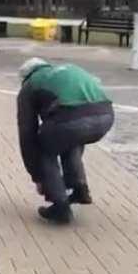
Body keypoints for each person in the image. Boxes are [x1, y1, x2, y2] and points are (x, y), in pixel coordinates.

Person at [17, 58, 114, 224]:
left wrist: (38, 176)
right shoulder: (69, 68)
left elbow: (27, 134)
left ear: (25, 77)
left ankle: (60, 206)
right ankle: (79, 188)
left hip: (72, 120)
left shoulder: (30, 85)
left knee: (43, 149)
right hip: (106, 116)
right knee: (68, 138)